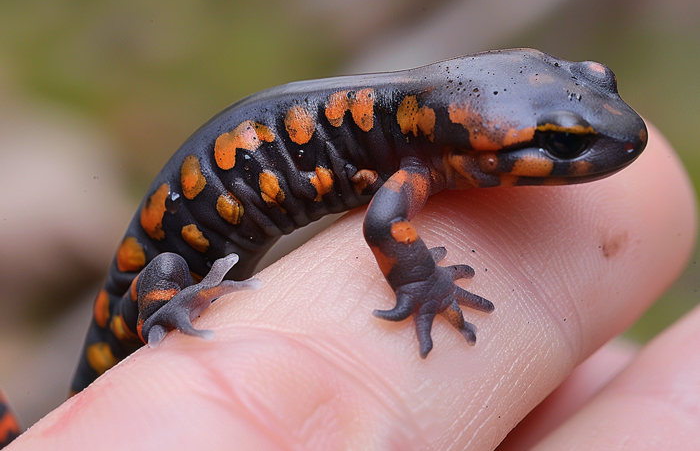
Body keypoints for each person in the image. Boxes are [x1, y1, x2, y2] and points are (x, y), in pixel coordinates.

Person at [11, 125, 698, 450]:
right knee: (164, 279)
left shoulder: (422, 138)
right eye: (560, 145)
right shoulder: (416, 158)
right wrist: (426, 283)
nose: (595, 150)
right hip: (157, 278)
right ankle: (164, 303)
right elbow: (383, 224)